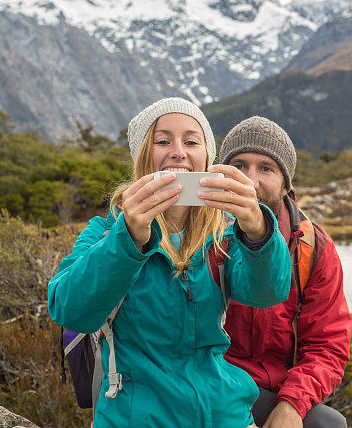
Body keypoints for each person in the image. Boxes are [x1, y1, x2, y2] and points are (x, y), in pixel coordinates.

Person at [48, 98, 292, 428]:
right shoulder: (106, 232)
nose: (178, 152)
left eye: (192, 141)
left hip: (223, 414)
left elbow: (267, 292)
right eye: (163, 141)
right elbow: (69, 310)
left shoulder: (226, 234)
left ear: (207, 157)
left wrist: (259, 230)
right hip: (135, 418)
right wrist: (129, 237)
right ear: (142, 157)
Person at [219, 116, 352, 428]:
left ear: (285, 182)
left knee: (327, 424)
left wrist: (292, 403)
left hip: (277, 390)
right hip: (211, 383)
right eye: (238, 166)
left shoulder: (313, 246)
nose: (250, 181)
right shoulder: (200, 236)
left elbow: (327, 345)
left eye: (266, 168)